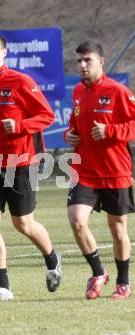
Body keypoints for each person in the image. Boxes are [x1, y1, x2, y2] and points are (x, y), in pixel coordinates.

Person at [0, 33, 62, 301]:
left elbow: (47, 116)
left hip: (19, 163)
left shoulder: (21, 82)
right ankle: (3, 286)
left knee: (23, 224)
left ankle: (52, 259)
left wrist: (20, 126)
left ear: (4, 52)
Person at [64, 41, 135, 300]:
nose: (82, 66)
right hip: (84, 171)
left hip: (116, 171)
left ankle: (124, 283)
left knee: (118, 230)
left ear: (101, 62)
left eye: (88, 61)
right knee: (76, 220)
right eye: (79, 61)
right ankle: (98, 272)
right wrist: (69, 134)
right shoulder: (77, 92)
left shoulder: (118, 91)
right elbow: (74, 123)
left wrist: (111, 131)